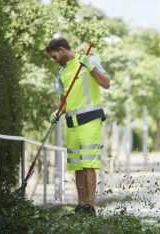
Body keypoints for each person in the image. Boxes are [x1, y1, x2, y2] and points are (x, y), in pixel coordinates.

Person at [46, 37, 110, 215]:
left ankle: (90, 206)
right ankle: (81, 205)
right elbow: (64, 102)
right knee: (77, 166)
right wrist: (57, 112)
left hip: (90, 121)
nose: (55, 60)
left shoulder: (90, 60)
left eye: (54, 56)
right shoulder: (62, 74)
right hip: (72, 124)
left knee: (89, 164)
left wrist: (90, 67)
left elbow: (106, 83)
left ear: (61, 49)